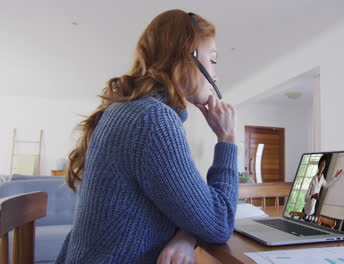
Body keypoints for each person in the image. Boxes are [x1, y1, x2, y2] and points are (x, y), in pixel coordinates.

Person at [56, 9, 238, 264]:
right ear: (188, 56)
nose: (215, 75)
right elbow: (220, 223)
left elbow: (186, 206)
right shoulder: (153, 121)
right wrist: (227, 138)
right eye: (213, 60)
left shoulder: (131, 111)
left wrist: (186, 234)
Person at [303, 155, 343, 221]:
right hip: (306, 210)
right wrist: (312, 196)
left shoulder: (322, 179)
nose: (322, 167)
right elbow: (305, 198)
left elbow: (327, 185)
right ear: (318, 166)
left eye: (324, 165)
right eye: (321, 165)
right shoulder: (313, 179)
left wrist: (335, 177)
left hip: (312, 211)